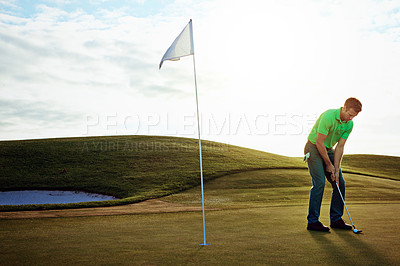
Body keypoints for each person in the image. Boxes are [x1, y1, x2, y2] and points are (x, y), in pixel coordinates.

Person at [304, 97, 362, 232]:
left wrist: (336, 169)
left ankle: (336, 219)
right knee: (320, 183)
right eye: (349, 114)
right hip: (313, 148)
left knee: (339, 182)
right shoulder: (328, 116)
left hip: (328, 149)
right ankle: (312, 222)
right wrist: (328, 164)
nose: (350, 118)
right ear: (344, 108)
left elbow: (340, 147)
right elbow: (319, 142)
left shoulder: (349, 124)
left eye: (354, 116)